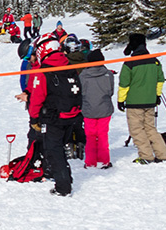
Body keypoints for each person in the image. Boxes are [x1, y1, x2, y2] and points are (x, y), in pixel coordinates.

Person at [27, 39, 80, 195]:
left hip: (53, 117)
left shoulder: (44, 71)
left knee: (54, 150)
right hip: (72, 115)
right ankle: (65, 177)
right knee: (59, 148)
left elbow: (37, 98)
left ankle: (63, 187)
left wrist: (34, 118)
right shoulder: (70, 66)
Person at [118, 34, 166, 163]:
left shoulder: (129, 63)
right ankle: (162, 154)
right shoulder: (155, 61)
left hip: (134, 102)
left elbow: (124, 84)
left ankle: (146, 156)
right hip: (150, 101)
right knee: (150, 128)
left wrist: (120, 100)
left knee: (137, 130)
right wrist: (157, 95)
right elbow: (160, 80)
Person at [79, 45, 115, 169]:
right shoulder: (108, 74)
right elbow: (110, 91)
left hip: (89, 109)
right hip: (104, 109)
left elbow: (81, 92)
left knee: (90, 136)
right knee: (103, 135)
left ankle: (90, 161)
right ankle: (104, 160)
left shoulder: (83, 75)